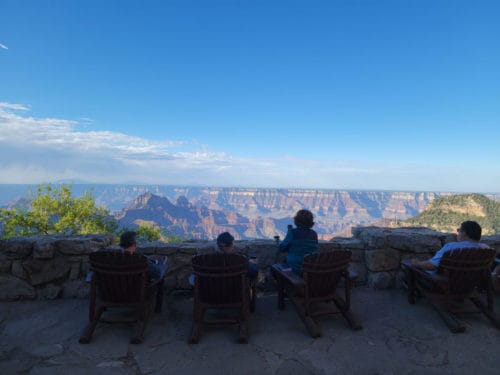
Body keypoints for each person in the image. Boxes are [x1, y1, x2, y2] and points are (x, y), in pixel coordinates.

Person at [411, 221, 490, 271]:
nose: (457, 233)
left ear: (464, 233)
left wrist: (417, 263)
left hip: (447, 284)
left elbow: (432, 265)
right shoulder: (486, 249)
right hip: (472, 285)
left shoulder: (452, 247)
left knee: (410, 267)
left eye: (459, 230)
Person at [279, 209, 319, 274]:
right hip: (310, 268)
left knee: (274, 268)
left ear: (297, 220)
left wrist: (288, 234)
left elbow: (282, 248)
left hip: (295, 268)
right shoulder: (314, 234)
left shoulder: (293, 232)